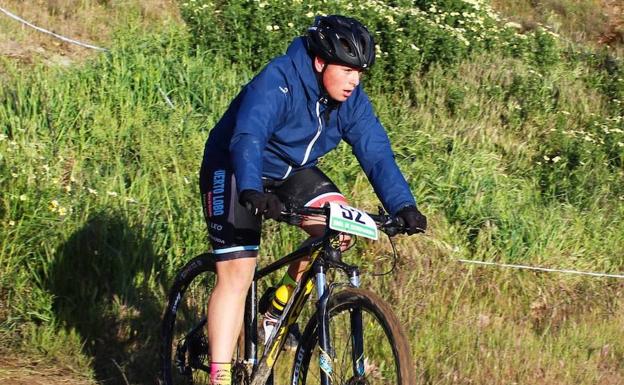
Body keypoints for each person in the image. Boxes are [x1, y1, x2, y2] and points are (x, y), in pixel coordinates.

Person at [199, 15, 427, 385]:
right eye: (348, 70)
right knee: (237, 273)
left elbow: (376, 153)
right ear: (321, 62)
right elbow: (249, 135)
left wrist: (403, 205)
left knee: (339, 228)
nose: (355, 81)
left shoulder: (351, 103)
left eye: (361, 72)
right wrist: (253, 190)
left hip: (292, 171)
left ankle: (275, 309)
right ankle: (220, 377)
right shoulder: (280, 79)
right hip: (236, 165)